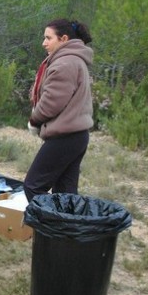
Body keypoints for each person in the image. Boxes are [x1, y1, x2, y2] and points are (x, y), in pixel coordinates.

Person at [24, 19, 93, 202]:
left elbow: (51, 103)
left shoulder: (65, 63)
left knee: (33, 186)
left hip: (65, 137)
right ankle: (66, 230)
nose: (44, 43)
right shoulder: (74, 60)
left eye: (48, 38)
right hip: (77, 136)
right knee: (65, 194)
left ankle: (49, 229)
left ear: (63, 39)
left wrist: (34, 120)